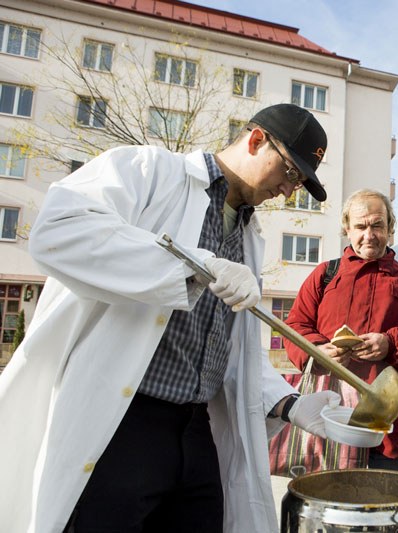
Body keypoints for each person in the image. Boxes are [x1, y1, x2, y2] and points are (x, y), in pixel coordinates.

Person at [0, 103, 341, 533]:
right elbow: (59, 228)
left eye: (300, 183)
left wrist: (290, 404)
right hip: (126, 425)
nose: (289, 191)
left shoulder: (248, 234)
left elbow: (225, 346)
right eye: (290, 173)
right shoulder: (148, 170)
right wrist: (195, 266)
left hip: (195, 429)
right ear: (256, 140)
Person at [285, 189, 398, 472]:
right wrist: (318, 351)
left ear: (390, 228)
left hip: (390, 431)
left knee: (385, 515)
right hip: (331, 426)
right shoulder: (325, 274)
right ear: (347, 228)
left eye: (377, 225)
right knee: (331, 514)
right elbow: (295, 327)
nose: (369, 235)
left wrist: (392, 343)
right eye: (361, 226)